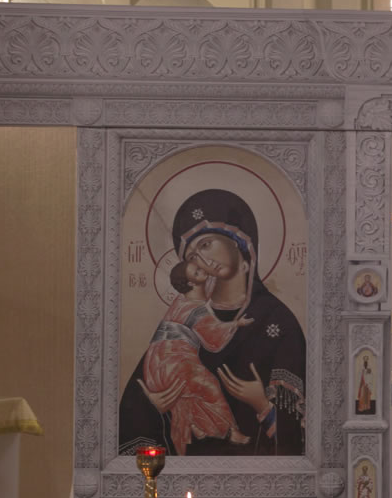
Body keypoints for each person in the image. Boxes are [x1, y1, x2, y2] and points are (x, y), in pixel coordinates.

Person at [119, 189, 306, 456]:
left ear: (239, 241)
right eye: (192, 257)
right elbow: (140, 398)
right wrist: (152, 408)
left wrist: (262, 404)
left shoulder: (276, 321)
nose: (202, 260)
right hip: (186, 470)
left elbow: (300, 435)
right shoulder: (184, 319)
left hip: (255, 473)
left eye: (206, 244)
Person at [141, 258, 252, 456]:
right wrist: (236, 324)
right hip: (173, 360)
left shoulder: (182, 300)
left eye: (200, 268)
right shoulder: (196, 308)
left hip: (156, 364)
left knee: (192, 393)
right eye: (197, 271)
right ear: (191, 282)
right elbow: (213, 333)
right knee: (209, 386)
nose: (203, 270)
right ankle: (230, 432)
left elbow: (210, 286)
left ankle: (196, 426)